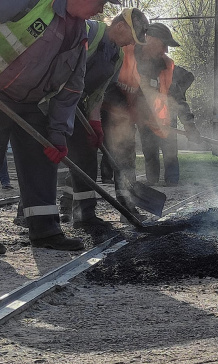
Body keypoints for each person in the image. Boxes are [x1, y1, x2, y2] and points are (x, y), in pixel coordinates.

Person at [0, 0, 121, 251]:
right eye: (100, 1)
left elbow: (72, 89)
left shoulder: (79, 33)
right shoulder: (29, 3)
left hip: (33, 103)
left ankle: (45, 231)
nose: (101, 10)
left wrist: (57, 134)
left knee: (41, 165)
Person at [59, 8, 149, 228]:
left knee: (86, 159)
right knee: (47, 158)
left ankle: (84, 216)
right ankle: (31, 213)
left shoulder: (117, 55)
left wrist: (95, 122)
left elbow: (99, 91)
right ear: (119, 26)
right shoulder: (88, 31)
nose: (131, 44)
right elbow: (61, 67)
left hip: (81, 106)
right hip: (58, 102)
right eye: (130, 37)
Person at [101, 23, 201, 216]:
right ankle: (73, 206)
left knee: (126, 159)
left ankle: (126, 208)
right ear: (150, 39)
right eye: (164, 44)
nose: (166, 50)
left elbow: (178, 100)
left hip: (129, 119)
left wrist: (190, 126)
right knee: (85, 158)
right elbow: (102, 81)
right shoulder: (123, 50)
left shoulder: (165, 67)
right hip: (102, 109)